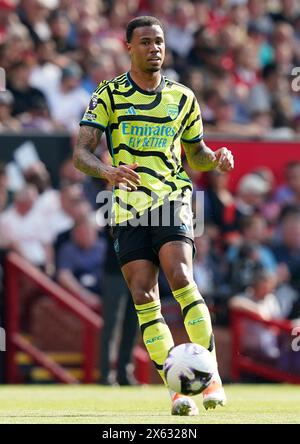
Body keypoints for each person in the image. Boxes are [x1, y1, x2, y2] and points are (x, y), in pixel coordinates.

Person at [73, 16, 234, 416]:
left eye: (159, 41)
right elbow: (81, 153)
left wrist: (214, 160)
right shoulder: (108, 95)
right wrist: (107, 170)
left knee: (180, 277)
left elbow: (195, 154)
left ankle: (210, 375)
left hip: (172, 197)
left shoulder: (183, 97)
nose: (154, 48)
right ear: (129, 47)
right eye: (145, 42)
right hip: (124, 206)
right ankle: (178, 390)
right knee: (145, 296)